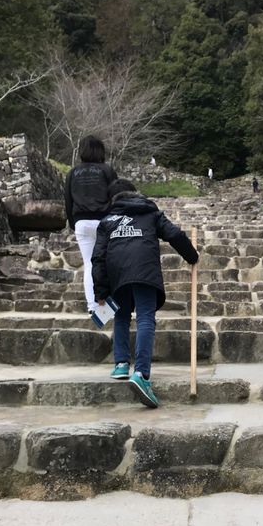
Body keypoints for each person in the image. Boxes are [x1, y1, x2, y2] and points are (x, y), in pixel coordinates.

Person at [92, 179, 199, 408]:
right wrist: (192, 256)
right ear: (135, 194)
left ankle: (121, 364)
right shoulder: (150, 213)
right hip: (145, 270)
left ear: (113, 200)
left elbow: (98, 258)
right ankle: (141, 374)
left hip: (116, 273)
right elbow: (175, 235)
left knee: (120, 316)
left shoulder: (107, 221)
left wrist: (100, 291)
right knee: (145, 318)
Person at [65, 136, 117, 314]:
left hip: (82, 222)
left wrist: (74, 223)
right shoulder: (107, 170)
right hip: (105, 221)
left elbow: (68, 201)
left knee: (89, 264)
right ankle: (108, 307)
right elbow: (117, 196)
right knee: (108, 263)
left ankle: (93, 307)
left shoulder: (73, 173)